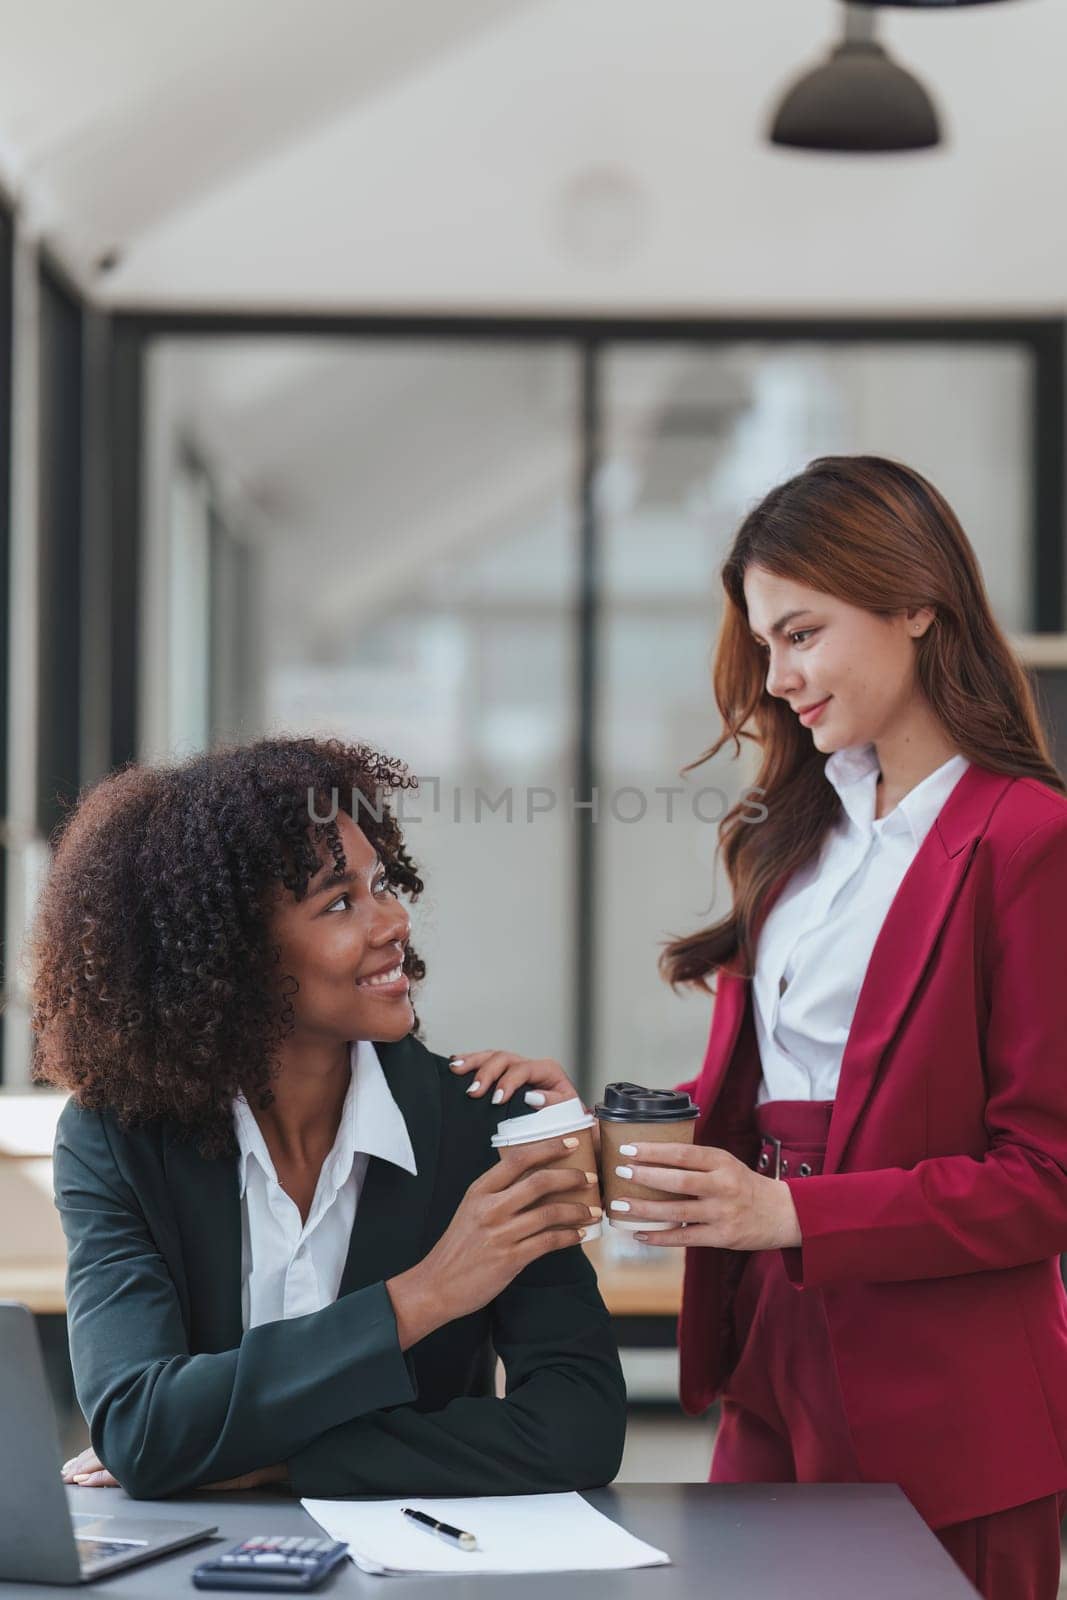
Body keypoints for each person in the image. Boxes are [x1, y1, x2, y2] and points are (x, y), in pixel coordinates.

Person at [450, 456, 1067, 1600]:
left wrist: (788, 1209)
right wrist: (597, 1127)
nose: (776, 678)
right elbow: (761, 1097)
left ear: (915, 604)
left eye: (800, 634)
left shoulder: (1027, 842)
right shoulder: (795, 837)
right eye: (762, 644)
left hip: (949, 1396)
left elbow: (1043, 1178)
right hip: (769, 1346)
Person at [33, 736, 625, 1500]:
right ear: (229, 956)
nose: (393, 923)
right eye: (340, 902)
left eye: (381, 885)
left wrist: (284, 1462)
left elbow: (579, 1429)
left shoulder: (488, 1128)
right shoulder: (116, 1138)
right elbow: (142, 1428)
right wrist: (425, 1296)